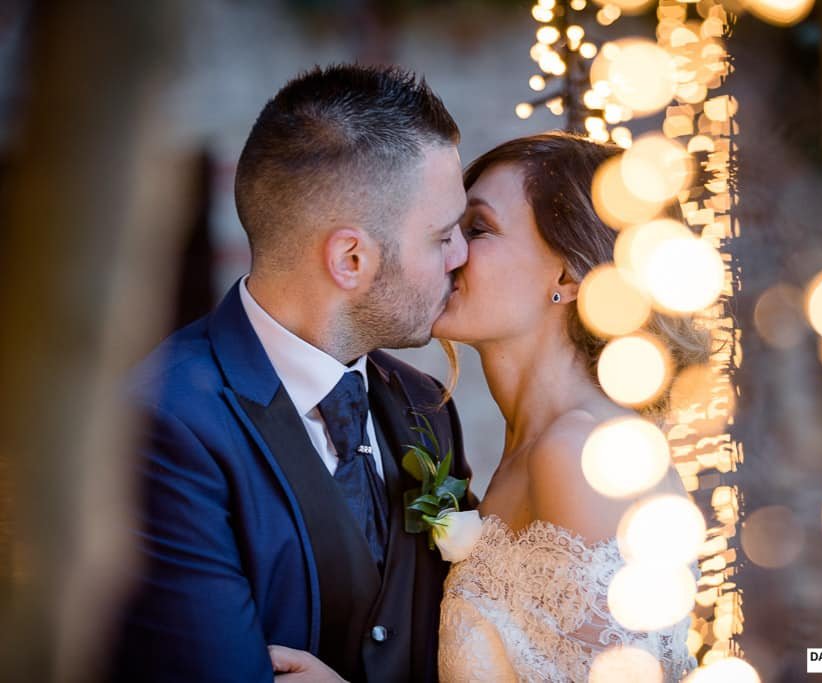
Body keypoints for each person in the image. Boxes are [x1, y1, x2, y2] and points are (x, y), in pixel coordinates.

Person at [271, 133, 705, 681]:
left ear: (569, 276)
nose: (450, 252)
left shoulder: (581, 458)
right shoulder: (529, 445)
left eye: (477, 229)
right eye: (448, 230)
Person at [110, 64, 474, 683]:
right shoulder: (162, 424)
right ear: (351, 258)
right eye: (442, 236)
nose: (462, 254)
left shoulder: (424, 405)